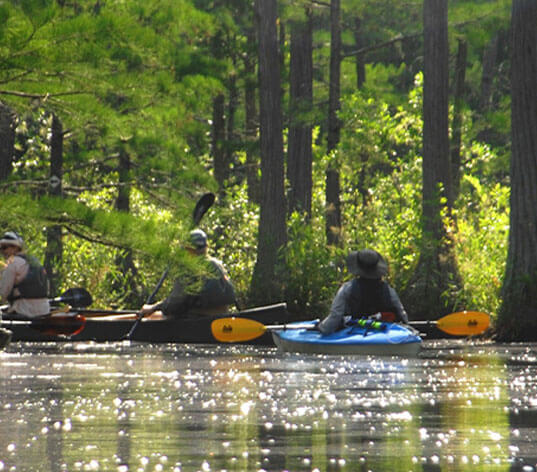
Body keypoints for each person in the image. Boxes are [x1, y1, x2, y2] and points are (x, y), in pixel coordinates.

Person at [141, 229, 237, 318]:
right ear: (206, 247)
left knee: (153, 317)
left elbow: (174, 304)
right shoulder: (216, 264)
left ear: (188, 248)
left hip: (197, 322)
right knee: (157, 315)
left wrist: (153, 308)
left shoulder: (188, 270)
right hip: (221, 318)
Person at [318, 248, 408, 334]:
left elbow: (335, 316)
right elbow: (402, 316)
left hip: (353, 333)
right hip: (383, 333)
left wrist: (321, 328)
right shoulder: (389, 290)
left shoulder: (347, 289)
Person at [0, 231, 50, 319]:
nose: (2, 251)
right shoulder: (34, 261)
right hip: (45, 310)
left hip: (23, 310)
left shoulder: (12, 263)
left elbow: (4, 292)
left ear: (15, 248)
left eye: (4, 248)